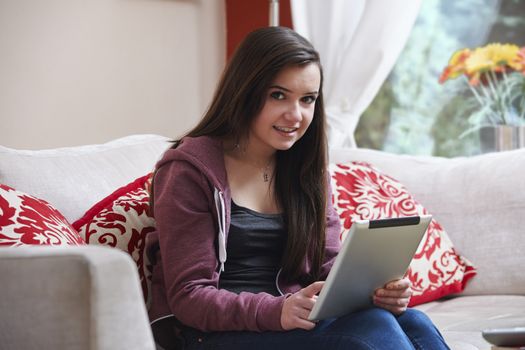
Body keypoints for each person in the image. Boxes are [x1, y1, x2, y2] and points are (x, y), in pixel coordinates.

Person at [146, 26, 450, 350]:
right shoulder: (188, 172)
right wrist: (278, 310)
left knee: (412, 321)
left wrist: (376, 290)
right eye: (278, 95)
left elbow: (328, 266)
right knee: (371, 330)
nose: (295, 115)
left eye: (308, 100)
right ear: (245, 91)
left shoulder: (305, 169)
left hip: (291, 320)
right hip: (213, 333)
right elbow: (190, 298)